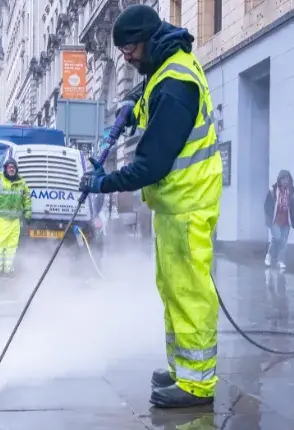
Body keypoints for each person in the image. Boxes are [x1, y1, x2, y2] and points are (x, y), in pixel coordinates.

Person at [79, 5, 222, 408]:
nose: (125, 56)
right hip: (176, 204)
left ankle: (198, 385)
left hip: (188, 203)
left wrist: (103, 183)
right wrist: (129, 108)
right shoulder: (163, 69)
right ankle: (183, 370)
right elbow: (149, 103)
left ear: (146, 39)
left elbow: (151, 163)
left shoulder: (175, 84)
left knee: (190, 291)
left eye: (128, 48)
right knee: (172, 288)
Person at [0, 157, 32, 275]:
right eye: (9, 167)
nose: (11, 169)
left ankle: (8, 270)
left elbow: (27, 198)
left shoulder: (21, 182)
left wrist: (28, 213)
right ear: (5, 169)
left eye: (13, 167)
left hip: (15, 221)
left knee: (12, 247)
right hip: (1, 220)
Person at [263, 170, 294, 270]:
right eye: (284, 178)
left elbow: (293, 207)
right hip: (275, 219)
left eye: (287, 179)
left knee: (284, 241)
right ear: (280, 179)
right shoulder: (273, 190)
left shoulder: (291, 192)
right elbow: (267, 205)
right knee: (277, 238)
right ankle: (269, 255)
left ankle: (280, 260)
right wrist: (268, 218)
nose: (286, 181)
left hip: (286, 220)